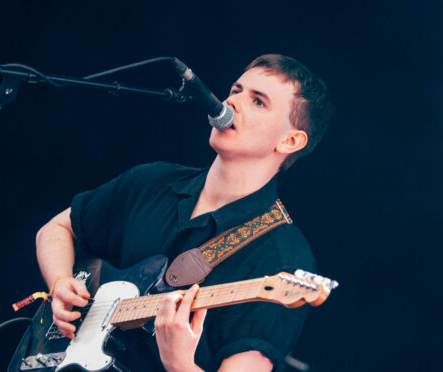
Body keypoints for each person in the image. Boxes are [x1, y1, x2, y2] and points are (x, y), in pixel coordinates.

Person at [35, 54, 332, 371]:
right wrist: (61, 283)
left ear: (290, 141)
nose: (232, 104)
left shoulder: (282, 260)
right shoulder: (153, 181)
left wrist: (179, 363)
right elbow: (56, 229)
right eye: (236, 90)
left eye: (258, 102)